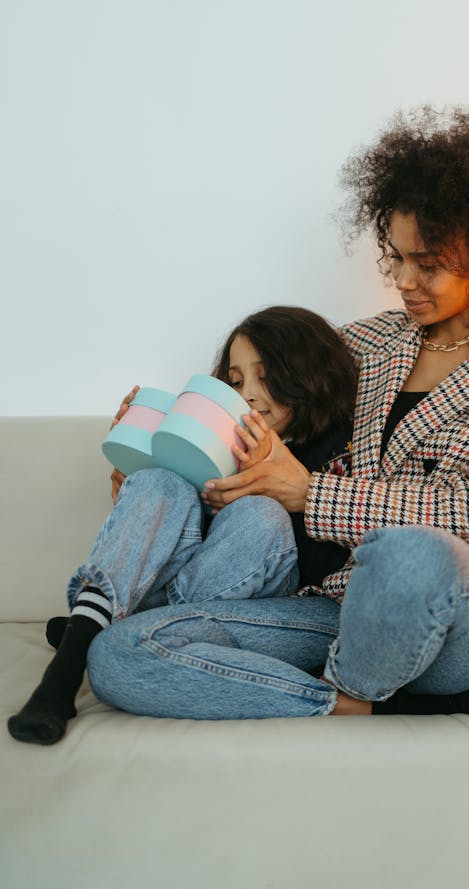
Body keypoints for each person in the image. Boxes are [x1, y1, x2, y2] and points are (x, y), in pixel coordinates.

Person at [42, 105, 469, 728]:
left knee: (410, 555)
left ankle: (422, 684)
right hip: (331, 607)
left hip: (452, 609)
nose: (404, 281)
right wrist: (168, 444)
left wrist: (310, 493)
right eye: (397, 257)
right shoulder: (365, 343)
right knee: (120, 654)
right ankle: (358, 702)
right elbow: (269, 411)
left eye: (427, 263)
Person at [7, 306, 357, 745]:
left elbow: (336, 552)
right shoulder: (221, 446)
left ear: (305, 373)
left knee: (259, 515)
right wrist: (137, 483)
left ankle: (97, 628)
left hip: (273, 604)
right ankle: (69, 664)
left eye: (265, 376)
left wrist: (280, 492)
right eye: (235, 381)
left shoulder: (344, 446)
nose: (247, 394)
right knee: (159, 482)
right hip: (194, 586)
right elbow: (181, 540)